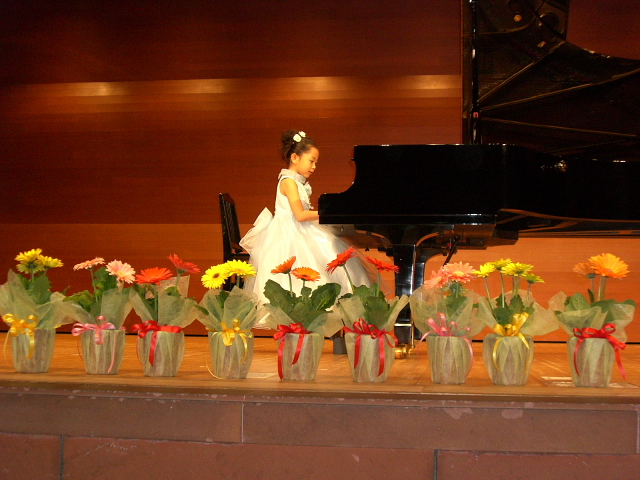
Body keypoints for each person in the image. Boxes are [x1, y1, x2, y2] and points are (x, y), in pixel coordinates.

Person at [240, 129, 374, 305]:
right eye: (311, 161)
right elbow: (300, 215)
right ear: (295, 158)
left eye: (316, 162)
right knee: (324, 253)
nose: (314, 166)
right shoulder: (288, 182)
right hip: (288, 234)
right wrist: (327, 214)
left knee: (331, 250)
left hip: (298, 228)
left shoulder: (296, 182)